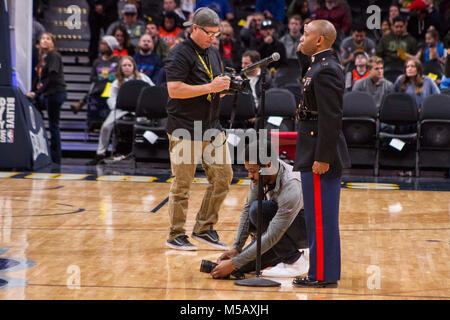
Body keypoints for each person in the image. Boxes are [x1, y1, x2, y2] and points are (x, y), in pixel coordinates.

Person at [164, 7, 233, 251]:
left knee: (224, 177)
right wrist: (210, 88)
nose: (213, 38)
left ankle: (204, 227)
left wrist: (227, 87)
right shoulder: (179, 53)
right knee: (183, 184)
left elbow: (215, 87)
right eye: (208, 33)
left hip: (211, 127)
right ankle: (175, 234)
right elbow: (175, 89)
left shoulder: (213, 53)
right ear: (194, 28)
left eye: (216, 33)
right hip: (184, 127)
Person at [292, 20, 350, 288]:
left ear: (320, 41)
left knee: (322, 218)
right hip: (311, 149)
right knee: (314, 217)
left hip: (319, 153)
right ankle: (319, 271)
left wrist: (323, 157)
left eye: (305, 34)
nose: (300, 37)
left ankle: (323, 275)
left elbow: (331, 117)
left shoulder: (327, 70)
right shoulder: (317, 64)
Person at [211, 140, 309, 279]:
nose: (249, 176)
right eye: (248, 171)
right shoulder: (261, 176)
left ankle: (295, 261)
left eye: (252, 171)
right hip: (281, 231)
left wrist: (233, 263)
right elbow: (246, 210)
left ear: (268, 165)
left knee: (258, 210)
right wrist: (236, 249)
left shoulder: (291, 186)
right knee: (243, 267)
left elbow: (273, 234)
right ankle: (285, 255)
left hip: (305, 231)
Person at [88, 56, 154, 165]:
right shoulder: (117, 81)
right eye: (124, 65)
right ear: (120, 67)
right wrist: (116, 106)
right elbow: (111, 98)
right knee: (106, 126)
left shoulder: (142, 78)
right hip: (120, 110)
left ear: (133, 67)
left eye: (129, 65)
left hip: (139, 111)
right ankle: (100, 153)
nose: (127, 68)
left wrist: (145, 106)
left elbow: (152, 90)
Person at [27, 33, 67, 165]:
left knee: (53, 125)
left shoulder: (53, 56)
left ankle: (56, 158)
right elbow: (39, 78)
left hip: (55, 92)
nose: (44, 40)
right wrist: (33, 91)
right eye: (43, 38)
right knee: (42, 119)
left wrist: (37, 93)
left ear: (52, 43)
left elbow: (52, 77)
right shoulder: (42, 58)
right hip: (47, 93)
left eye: (48, 39)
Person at [71, 36, 120, 133]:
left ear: (110, 46)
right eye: (101, 43)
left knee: (105, 87)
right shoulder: (97, 61)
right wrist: (100, 77)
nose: (101, 46)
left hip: (111, 88)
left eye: (104, 44)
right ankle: (94, 122)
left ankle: (81, 103)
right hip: (98, 87)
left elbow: (119, 76)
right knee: (97, 88)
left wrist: (109, 77)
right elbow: (91, 78)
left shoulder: (117, 61)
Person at [87, 0, 118, 65]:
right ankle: (92, 59)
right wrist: (95, 6)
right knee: (94, 37)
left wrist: (104, 6)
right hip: (94, 12)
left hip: (110, 12)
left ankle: (112, 58)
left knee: (110, 37)